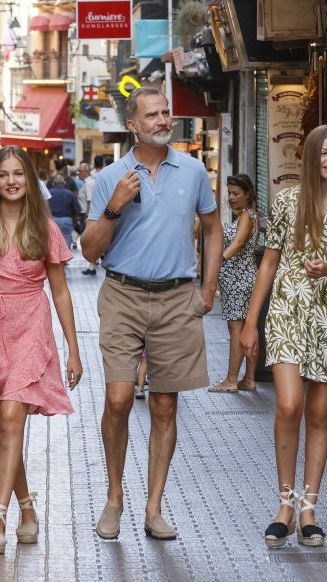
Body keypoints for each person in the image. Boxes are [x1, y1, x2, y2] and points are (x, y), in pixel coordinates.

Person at [81, 86, 223, 541]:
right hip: (122, 294)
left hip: (177, 298)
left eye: (166, 112)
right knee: (119, 399)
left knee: (165, 404)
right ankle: (114, 497)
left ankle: (154, 507)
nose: (164, 120)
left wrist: (208, 287)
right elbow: (88, 251)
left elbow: (213, 228)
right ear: (133, 125)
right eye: (153, 115)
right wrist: (114, 206)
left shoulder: (194, 170)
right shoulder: (112, 177)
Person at [240, 125, 327, 548]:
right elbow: (268, 264)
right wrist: (249, 322)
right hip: (287, 313)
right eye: (325, 153)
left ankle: (308, 507)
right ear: (312, 159)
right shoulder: (287, 202)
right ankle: (285, 503)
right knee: (289, 404)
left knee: (319, 415)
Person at [0, 145, 82, 555]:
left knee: (12, 415)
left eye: (18, 174)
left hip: (32, 322)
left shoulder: (45, 230)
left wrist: (73, 348)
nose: (11, 181)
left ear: (29, 180)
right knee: (4, 426)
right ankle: (28, 508)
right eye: (3, 174)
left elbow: (61, 292)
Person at [209, 173, 260, 393]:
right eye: (229, 193)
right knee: (249, 328)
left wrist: (217, 260)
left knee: (237, 330)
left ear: (247, 194)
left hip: (240, 280)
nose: (231, 197)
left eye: (235, 193)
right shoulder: (247, 215)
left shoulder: (247, 217)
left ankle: (231, 380)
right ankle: (248, 378)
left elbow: (238, 243)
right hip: (241, 279)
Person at [81, 156, 104, 276]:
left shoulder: (89, 180)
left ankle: (92, 265)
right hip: (105, 212)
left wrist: (87, 216)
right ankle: (94, 263)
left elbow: (89, 200)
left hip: (94, 213)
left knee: (93, 240)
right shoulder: (106, 174)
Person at [47, 175, 80, 249]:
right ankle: (65, 259)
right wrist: (74, 222)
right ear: (64, 183)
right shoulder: (70, 193)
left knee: (53, 241)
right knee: (67, 240)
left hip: (52, 219)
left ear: (53, 183)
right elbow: (77, 210)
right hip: (66, 220)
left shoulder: (48, 194)